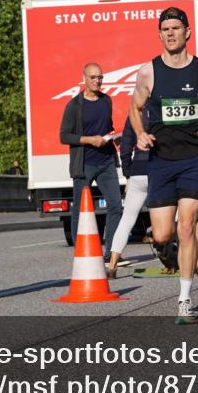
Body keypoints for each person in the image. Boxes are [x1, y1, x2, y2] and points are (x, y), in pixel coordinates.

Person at [129, 6, 198, 325]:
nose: (171, 33)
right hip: (160, 162)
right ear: (160, 34)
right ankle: (173, 254)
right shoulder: (149, 72)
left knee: (186, 226)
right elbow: (134, 107)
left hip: (192, 160)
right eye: (165, 29)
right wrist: (141, 133)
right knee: (161, 235)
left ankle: (185, 302)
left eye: (176, 27)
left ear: (187, 32)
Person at [59, 62, 123, 261]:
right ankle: (82, 252)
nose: (98, 81)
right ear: (84, 78)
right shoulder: (74, 106)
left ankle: (111, 252)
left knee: (116, 207)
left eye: (100, 77)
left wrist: (115, 137)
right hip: (85, 163)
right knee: (80, 208)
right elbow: (64, 136)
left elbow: (108, 126)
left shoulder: (107, 101)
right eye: (94, 77)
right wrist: (90, 140)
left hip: (107, 162)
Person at [106, 109, 150, 279]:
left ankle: (112, 266)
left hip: (138, 171)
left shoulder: (133, 113)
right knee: (176, 218)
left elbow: (125, 146)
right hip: (159, 171)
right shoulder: (162, 109)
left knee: (126, 220)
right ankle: (195, 263)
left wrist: (128, 173)